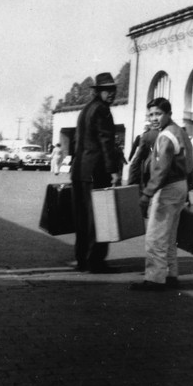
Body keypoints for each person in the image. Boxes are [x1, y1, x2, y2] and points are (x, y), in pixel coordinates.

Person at [130, 97, 192, 291]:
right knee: (170, 235)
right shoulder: (180, 132)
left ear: (168, 114)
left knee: (155, 236)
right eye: (151, 115)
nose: (154, 118)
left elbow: (160, 170)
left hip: (168, 187)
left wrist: (147, 194)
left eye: (158, 114)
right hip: (181, 185)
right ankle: (171, 274)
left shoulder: (165, 136)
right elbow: (190, 164)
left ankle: (155, 279)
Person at [70, 72, 120, 273]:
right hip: (96, 170)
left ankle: (82, 259)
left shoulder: (85, 110)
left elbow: (76, 141)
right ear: (98, 92)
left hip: (80, 170)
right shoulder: (103, 111)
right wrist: (113, 170)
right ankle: (95, 261)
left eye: (113, 90)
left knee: (82, 217)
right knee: (100, 216)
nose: (111, 94)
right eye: (107, 90)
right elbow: (105, 142)